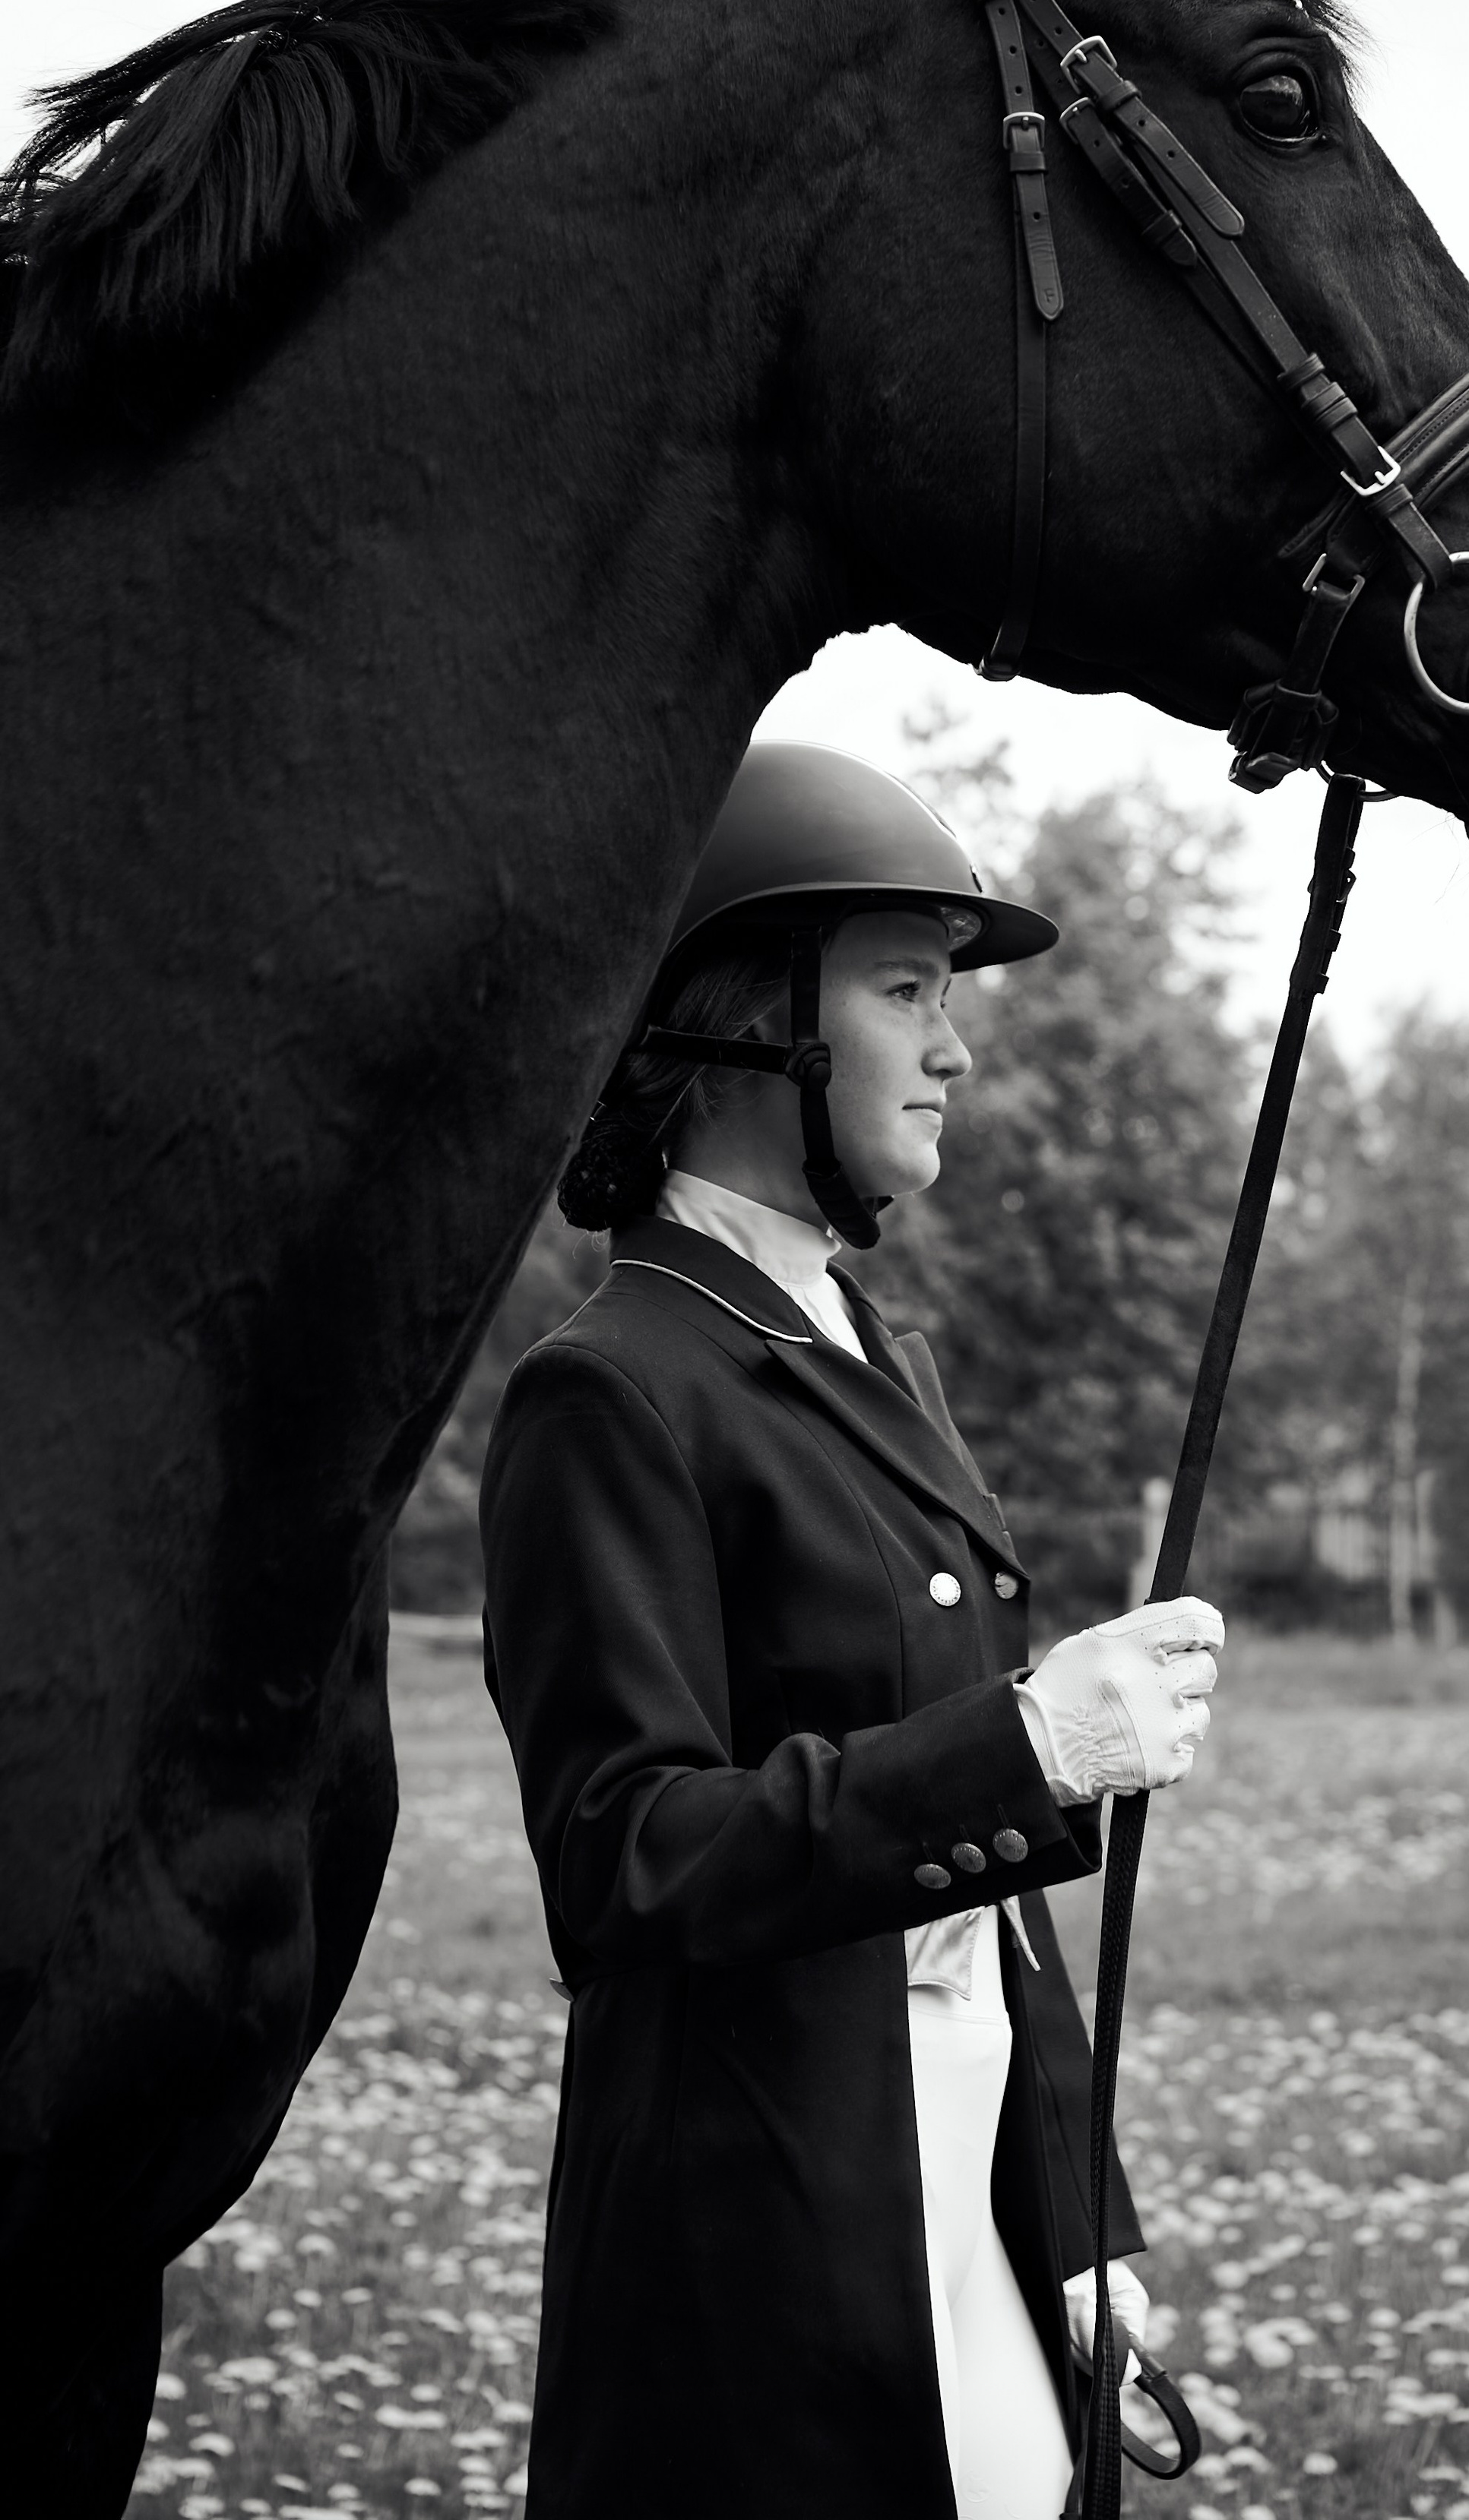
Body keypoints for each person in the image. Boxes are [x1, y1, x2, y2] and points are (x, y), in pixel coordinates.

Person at [480, 743, 1224, 2519]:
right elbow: (622, 1859)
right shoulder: (608, 1389)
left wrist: (1078, 2228)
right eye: (905, 990)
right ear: (749, 1029)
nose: (955, 1044)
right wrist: (1028, 1743)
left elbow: (995, 1925)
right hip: (761, 2272)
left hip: (970, 2211)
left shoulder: (881, 1350)